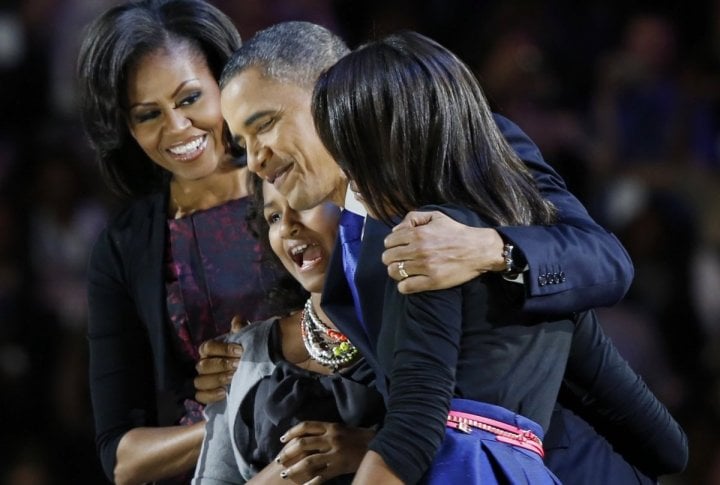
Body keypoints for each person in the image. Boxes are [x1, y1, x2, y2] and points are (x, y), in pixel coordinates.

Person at [214, 21, 687, 484]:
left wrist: (488, 248)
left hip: (550, 463)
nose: (255, 159)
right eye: (242, 143)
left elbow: (604, 259)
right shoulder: (351, 237)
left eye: (266, 125)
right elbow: (418, 389)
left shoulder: (463, 159)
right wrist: (262, 354)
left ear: (329, 93)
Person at [77, 1, 285, 483]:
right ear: (126, 128)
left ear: (224, 82)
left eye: (190, 99)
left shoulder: (296, 180)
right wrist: (242, 412)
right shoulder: (123, 247)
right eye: (148, 114)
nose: (175, 128)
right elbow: (123, 457)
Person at [193, 175, 384, 484]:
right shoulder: (244, 349)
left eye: (302, 204)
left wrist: (373, 450)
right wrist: (285, 473)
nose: (287, 227)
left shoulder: (411, 328)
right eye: (274, 216)